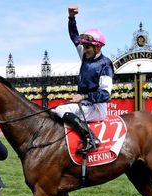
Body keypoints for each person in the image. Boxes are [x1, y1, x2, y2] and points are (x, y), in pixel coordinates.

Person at [53, 5, 115, 154]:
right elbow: (74, 37)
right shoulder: (86, 56)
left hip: (97, 108)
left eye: (88, 47)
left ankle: (90, 138)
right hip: (85, 105)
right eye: (84, 47)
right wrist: (71, 18)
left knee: (60, 110)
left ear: (98, 48)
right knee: (57, 111)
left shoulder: (105, 64)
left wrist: (83, 96)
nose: (85, 50)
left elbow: (106, 94)